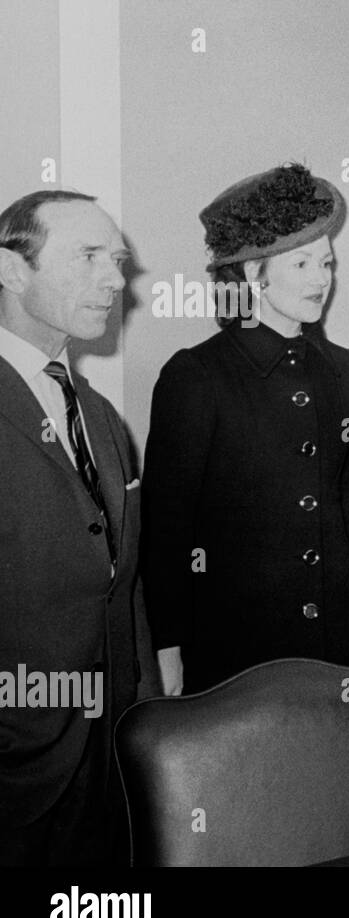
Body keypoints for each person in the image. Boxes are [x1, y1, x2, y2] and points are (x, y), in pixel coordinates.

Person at [143, 164, 349, 695]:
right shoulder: (195, 375)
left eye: (326, 263)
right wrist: (168, 650)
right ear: (254, 274)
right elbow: (166, 529)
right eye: (302, 263)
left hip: (334, 636)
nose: (322, 279)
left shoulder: (345, 368)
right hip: (235, 644)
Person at [0, 190, 159, 865]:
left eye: (117, 260)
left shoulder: (97, 416)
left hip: (109, 763)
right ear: (11, 269)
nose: (114, 279)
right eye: (88, 256)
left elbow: (122, 584)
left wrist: (144, 714)